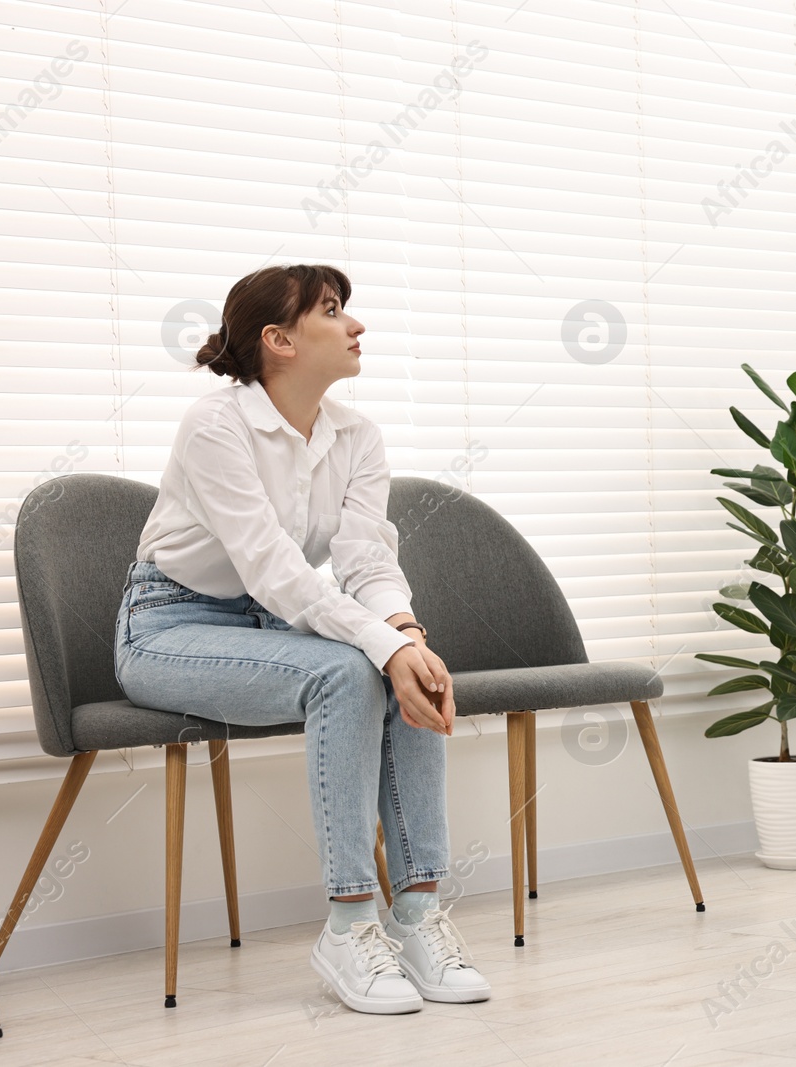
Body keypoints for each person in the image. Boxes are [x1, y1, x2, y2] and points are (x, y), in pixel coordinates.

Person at [114, 263, 490, 1014]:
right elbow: (275, 568)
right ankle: (350, 925)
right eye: (331, 310)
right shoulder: (215, 426)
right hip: (168, 626)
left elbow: (366, 561)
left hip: (270, 623)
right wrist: (382, 646)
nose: (355, 325)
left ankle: (417, 913)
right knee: (352, 671)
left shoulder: (358, 435)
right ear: (278, 339)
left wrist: (408, 636)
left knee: (401, 666)